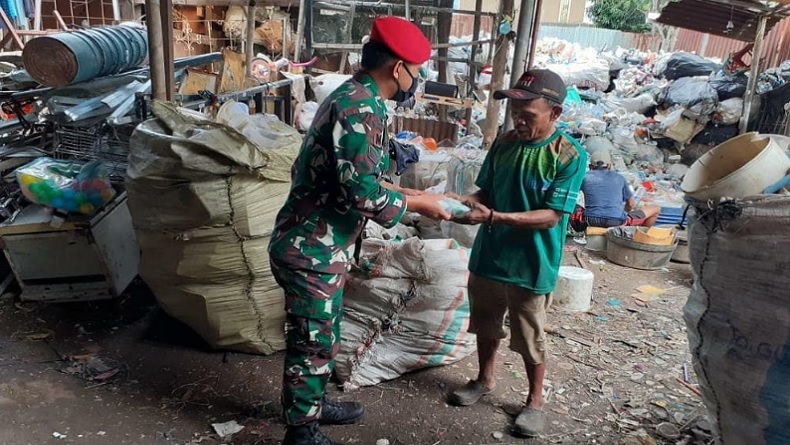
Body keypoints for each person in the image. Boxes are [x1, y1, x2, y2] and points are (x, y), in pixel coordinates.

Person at [268, 16, 451, 445]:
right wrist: (420, 203)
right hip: (310, 247)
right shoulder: (359, 107)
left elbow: (365, 177)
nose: (418, 79)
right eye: (417, 70)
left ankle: (310, 405)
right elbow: (361, 192)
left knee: (323, 333)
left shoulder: (361, 99)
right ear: (397, 68)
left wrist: (410, 194)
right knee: (312, 341)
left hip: (322, 244)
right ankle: (301, 432)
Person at [447, 69, 587, 438]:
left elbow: (551, 216)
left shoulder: (569, 154)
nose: (519, 121)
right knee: (485, 323)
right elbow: (486, 192)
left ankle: (535, 401)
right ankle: (484, 379)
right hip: (490, 256)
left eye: (529, 115)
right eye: (515, 112)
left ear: (555, 114)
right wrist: (462, 203)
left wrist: (493, 216)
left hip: (532, 262)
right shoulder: (505, 143)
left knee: (529, 336)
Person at [580, 150, 660, 228]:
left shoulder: (584, 177)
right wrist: (624, 212)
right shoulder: (619, 178)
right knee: (656, 208)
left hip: (590, 219)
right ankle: (641, 236)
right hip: (616, 221)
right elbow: (631, 204)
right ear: (609, 166)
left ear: (590, 167)